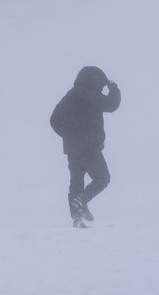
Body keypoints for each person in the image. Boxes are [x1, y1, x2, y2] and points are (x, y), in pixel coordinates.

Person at [49, 66, 121, 228]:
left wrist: (67, 134)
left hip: (72, 148)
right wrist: (113, 88)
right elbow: (111, 105)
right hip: (89, 146)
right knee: (103, 178)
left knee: (76, 181)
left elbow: (53, 119)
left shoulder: (70, 95)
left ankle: (77, 218)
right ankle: (81, 201)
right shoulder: (90, 95)